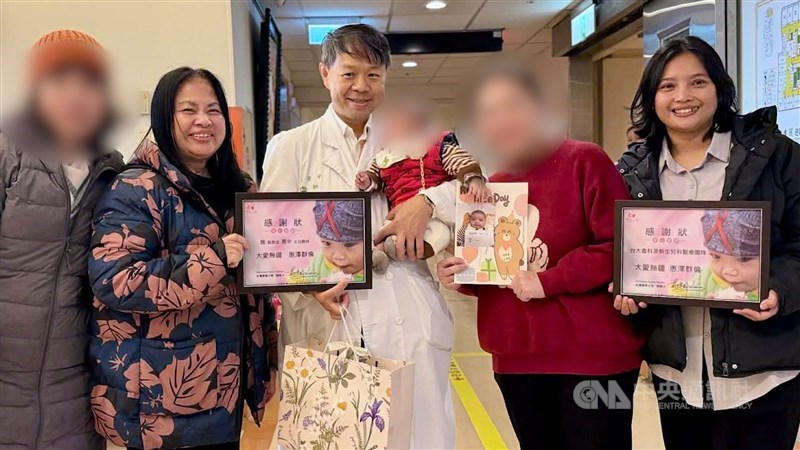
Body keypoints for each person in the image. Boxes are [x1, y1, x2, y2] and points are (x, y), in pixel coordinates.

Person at [260, 24, 456, 449]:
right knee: (332, 435)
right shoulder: (292, 146)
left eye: (373, 74)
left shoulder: (413, 139)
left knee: (413, 436)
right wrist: (313, 286)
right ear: (325, 73)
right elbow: (273, 238)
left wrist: (428, 202)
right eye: (348, 73)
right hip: (328, 318)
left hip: (405, 308)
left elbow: (466, 195)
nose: (361, 86)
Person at [436, 57, 644, 450]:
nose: (502, 121)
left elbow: (619, 245)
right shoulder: (492, 188)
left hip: (593, 358)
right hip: (517, 358)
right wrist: (463, 274)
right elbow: (499, 274)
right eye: (489, 113)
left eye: (512, 106)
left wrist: (548, 281)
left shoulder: (584, 160)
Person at [615, 36, 800, 450]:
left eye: (698, 82)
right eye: (667, 86)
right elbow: (621, 254)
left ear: (720, 88)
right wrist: (626, 291)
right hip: (676, 374)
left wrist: (778, 289)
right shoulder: (632, 173)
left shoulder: (777, 156)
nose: (683, 96)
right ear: (652, 98)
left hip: (762, 373)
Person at [88, 67, 278, 450]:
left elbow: (262, 270)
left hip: (225, 388)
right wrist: (214, 260)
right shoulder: (136, 188)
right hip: (161, 401)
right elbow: (116, 280)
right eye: (188, 110)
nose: (203, 121)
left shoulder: (239, 186)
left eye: (213, 110)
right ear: (163, 117)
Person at [0, 29, 124, 450]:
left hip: (76, 397)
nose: (76, 95)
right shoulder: (7, 153)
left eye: (90, 82)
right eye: (59, 79)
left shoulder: (113, 172)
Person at [355, 99, 489, 273]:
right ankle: (379, 251)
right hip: (398, 213)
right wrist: (367, 181)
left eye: (400, 125)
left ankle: (403, 248)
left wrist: (473, 178)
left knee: (440, 234)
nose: (391, 131)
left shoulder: (436, 148)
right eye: (389, 127)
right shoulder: (384, 157)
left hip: (434, 215)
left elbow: (460, 161)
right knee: (383, 229)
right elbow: (375, 177)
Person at [670, 210, 762, 301]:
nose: (728, 271)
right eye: (716, 256)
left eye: (743, 259)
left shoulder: (768, 289)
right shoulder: (706, 276)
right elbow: (683, 292)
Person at [306, 200, 366, 283]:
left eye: (349, 244)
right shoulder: (318, 262)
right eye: (327, 243)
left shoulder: (374, 267)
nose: (338, 257)